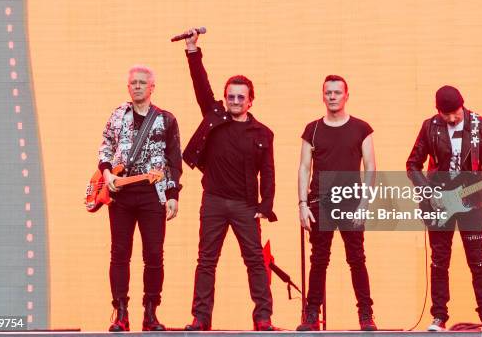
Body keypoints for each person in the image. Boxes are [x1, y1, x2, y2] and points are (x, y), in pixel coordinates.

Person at [181, 29, 278, 331]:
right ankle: (201, 317)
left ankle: (263, 318)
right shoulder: (214, 116)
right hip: (213, 201)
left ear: (251, 101)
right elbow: (200, 85)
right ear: (225, 98)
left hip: (246, 206)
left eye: (241, 97)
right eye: (230, 96)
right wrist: (192, 51)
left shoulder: (263, 133)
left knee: (254, 261)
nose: (235, 101)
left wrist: (266, 204)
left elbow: (269, 171)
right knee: (206, 260)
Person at [406, 85, 482, 333]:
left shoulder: (480, 125)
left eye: (455, 113)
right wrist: (429, 192)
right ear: (438, 111)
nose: (450, 118)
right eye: (445, 114)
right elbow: (412, 164)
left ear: (462, 105)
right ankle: (439, 317)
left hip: (472, 202)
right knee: (439, 262)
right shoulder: (430, 126)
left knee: (478, 261)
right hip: (439, 203)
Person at [99, 65, 182, 332]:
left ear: (151, 87)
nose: (137, 86)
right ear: (128, 87)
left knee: (154, 255)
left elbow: (173, 161)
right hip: (121, 193)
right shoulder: (117, 116)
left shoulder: (166, 119)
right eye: (133, 82)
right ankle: (121, 312)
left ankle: (150, 313)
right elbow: (106, 145)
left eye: (142, 82)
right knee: (119, 254)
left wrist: (172, 194)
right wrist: (106, 171)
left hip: (151, 193)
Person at [296, 75, 377, 331]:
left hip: (351, 203)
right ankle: (311, 315)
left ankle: (366, 314)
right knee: (319, 260)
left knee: (357, 259)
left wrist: (365, 203)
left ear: (346, 95)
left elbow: (371, 167)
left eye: (337, 92)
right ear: (323, 96)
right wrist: (302, 204)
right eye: (328, 92)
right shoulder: (313, 129)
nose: (332, 96)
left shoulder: (361, 128)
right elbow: (303, 167)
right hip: (320, 201)